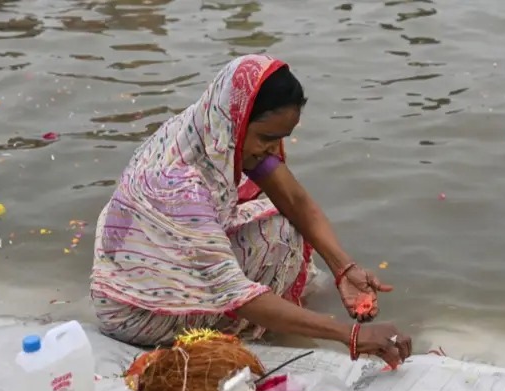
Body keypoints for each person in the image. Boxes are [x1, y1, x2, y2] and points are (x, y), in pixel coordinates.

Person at [90, 54, 411, 368]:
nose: (274, 150)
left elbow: (295, 201)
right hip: (136, 313)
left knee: (280, 222)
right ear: (238, 121)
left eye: (281, 139)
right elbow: (237, 294)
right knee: (279, 242)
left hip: (152, 269)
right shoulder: (180, 184)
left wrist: (344, 268)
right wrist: (350, 335)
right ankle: (258, 327)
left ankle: (280, 316)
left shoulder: (210, 128)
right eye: (267, 138)